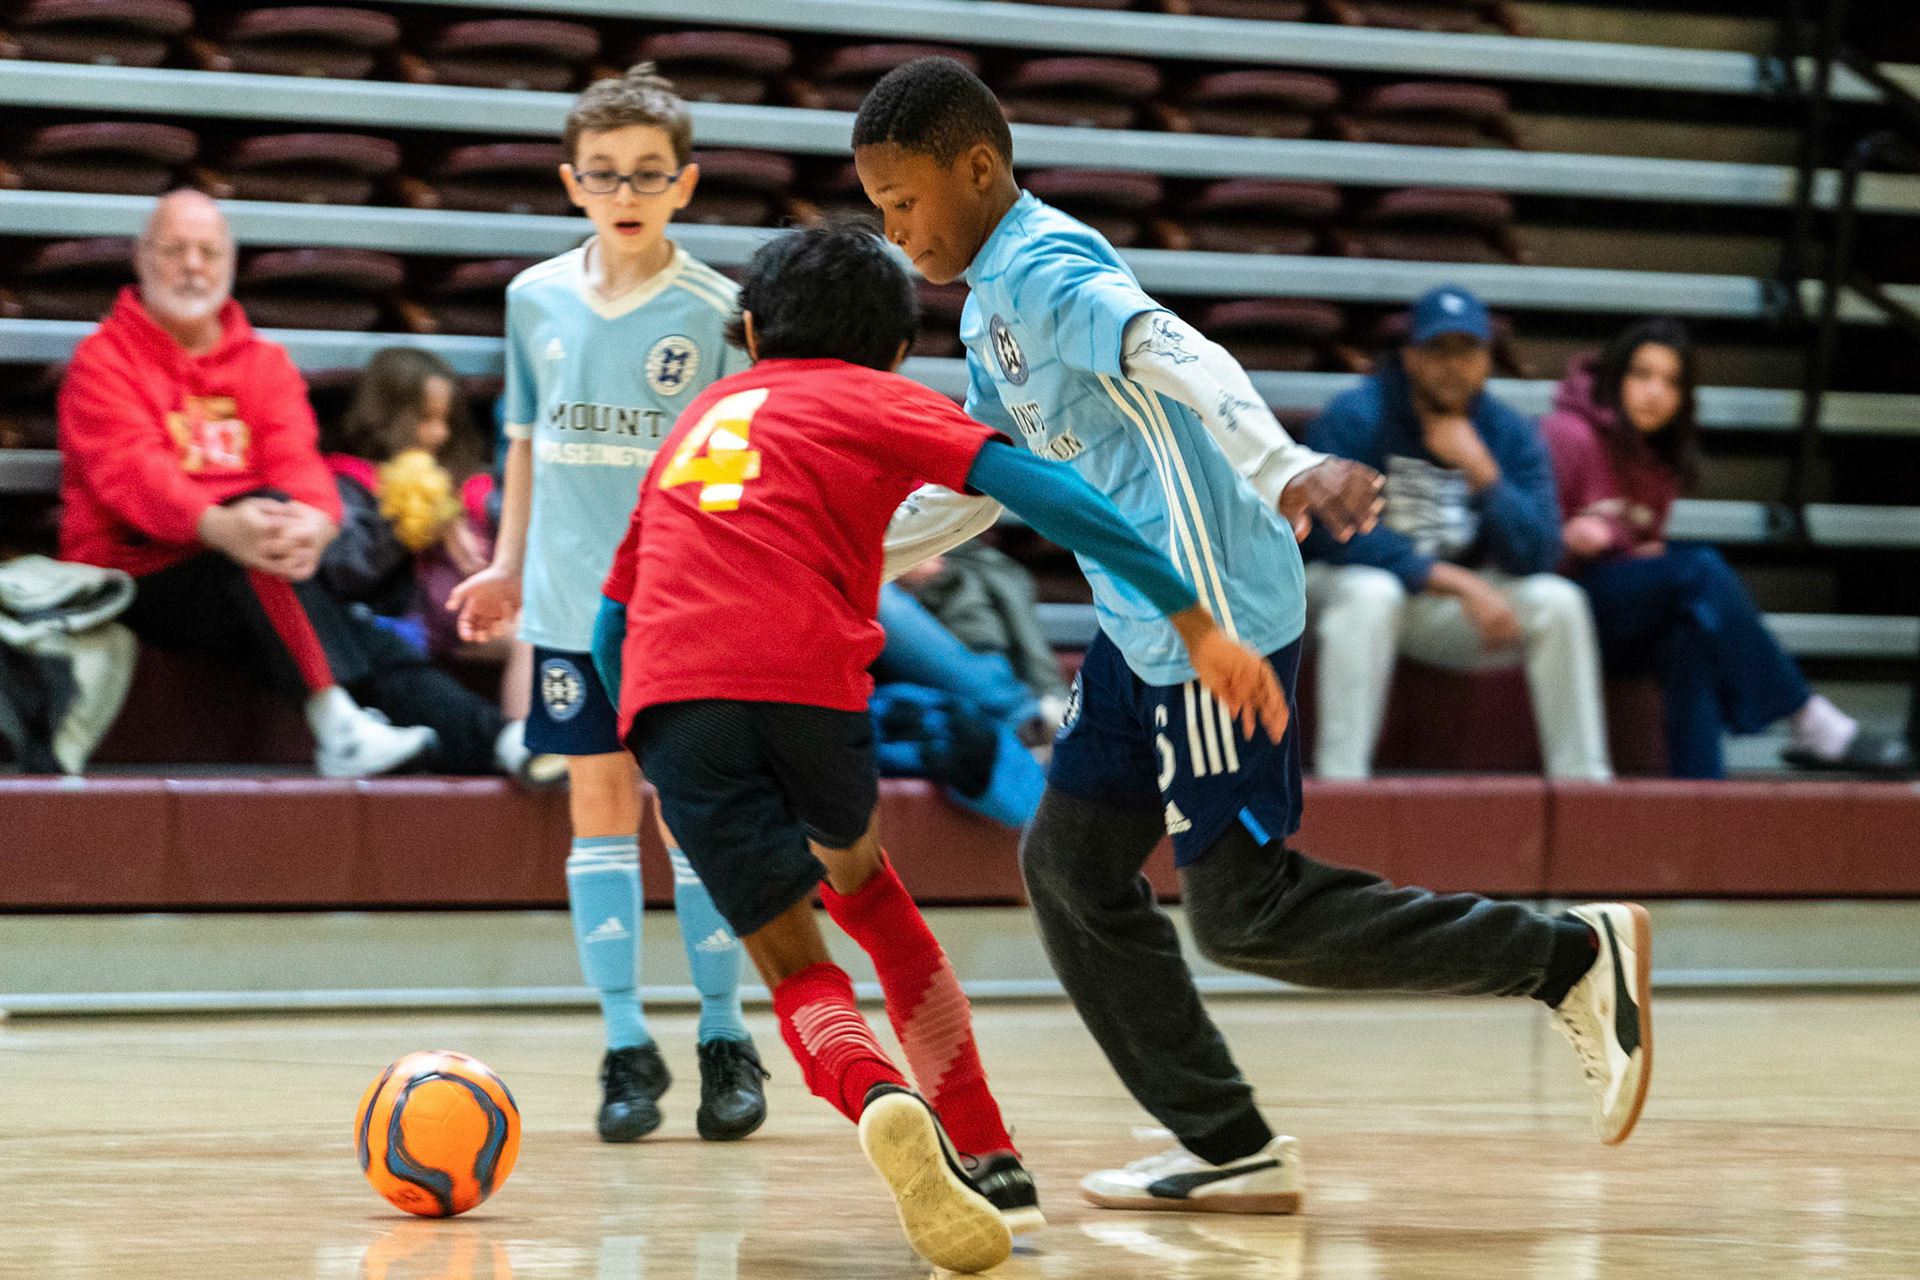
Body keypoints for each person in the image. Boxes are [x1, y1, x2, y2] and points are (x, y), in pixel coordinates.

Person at [850, 56, 1651, 1217]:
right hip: (1142, 625)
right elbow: (983, 482)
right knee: (1070, 867)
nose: (893, 229)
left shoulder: (1045, 264)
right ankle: (1229, 1142)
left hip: (1212, 612)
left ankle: (1567, 954)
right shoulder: (986, 304)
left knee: (1244, 907)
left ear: (977, 168)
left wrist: (1285, 463)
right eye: (877, 210)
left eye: (903, 201)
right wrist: (833, 548)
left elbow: (1181, 351)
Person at [592, 222, 1287, 1275]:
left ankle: (876, 1096)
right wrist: (1193, 620)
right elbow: (1055, 494)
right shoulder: (883, 395)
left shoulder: (697, 418)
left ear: (744, 331)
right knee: (865, 886)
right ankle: (992, 1159)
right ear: (898, 346)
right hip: (807, 688)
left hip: (671, 691)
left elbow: (609, 623)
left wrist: (652, 739)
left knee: (792, 962)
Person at [445, 65, 765, 1146]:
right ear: (572, 181)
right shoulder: (533, 297)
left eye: (648, 173)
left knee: (694, 820)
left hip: (685, 613)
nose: (625, 190)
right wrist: (501, 566)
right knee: (597, 809)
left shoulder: (723, 313)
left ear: (684, 183)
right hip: (571, 608)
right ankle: (626, 1045)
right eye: (604, 173)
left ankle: (726, 1034)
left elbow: (741, 469)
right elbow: (524, 446)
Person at [59, 189, 446, 778]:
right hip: (134, 572)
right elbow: (133, 474)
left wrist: (317, 517)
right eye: (176, 250)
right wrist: (217, 524)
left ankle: (495, 742)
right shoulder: (102, 360)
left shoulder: (264, 363)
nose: (194, 266)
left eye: (209, 253)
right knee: (264, 535)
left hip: (249, 566)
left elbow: (297, 458)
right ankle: (335, 720)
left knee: (360, 630)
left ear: (231, 265)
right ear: (141, 259)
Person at [1542, 318, 1910, 777]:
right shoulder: (1566, 435)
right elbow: (1524, 549)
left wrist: (1634, 553)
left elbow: (1637, 547)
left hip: (1621, 615)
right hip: (1564, 610)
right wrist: (1573, 539)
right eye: (1641, 374)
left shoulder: (1660, 458)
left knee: (1691, 633)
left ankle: (1701, 801)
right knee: (1700, 568)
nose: (1654, 392)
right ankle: (1807, 716)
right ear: (1615, 376)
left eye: (1671, 381)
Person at [1301, 286, 1613, 782]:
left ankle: (1584, 790)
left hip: (1432, 610)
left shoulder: (1506, 433)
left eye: (1467, 351)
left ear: (1488, 359)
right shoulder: (1356, 416)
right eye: (1437, 351)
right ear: (1409, 358)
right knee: (1370, 592)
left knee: (1560, 603)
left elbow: (1539, 553)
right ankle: (1343, 788)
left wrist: (1485, 474)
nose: (1453, 366)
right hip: (1340, 593)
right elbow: (1327, 533)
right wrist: (1453, 580)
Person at [317, 347, 561, 783]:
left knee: (546, 627)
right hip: (402, 621)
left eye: (444, 421)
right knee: (529, 633)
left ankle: (552, 745)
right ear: (386, 415)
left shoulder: (467, 481)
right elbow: (345, 573)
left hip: (474, 609)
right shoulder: (349, 480)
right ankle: (524, 746)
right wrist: (408, 528)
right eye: (423, 420)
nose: (436, 434)